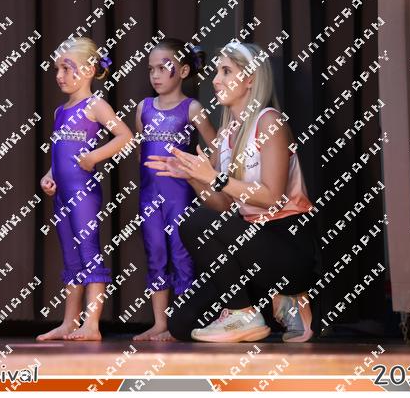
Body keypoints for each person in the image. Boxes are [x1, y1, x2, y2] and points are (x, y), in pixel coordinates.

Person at [145, 41, 320, 343]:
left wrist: (215, 177)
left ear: (250, 78)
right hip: (249, 245)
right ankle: (254, 307)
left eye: (226, 71)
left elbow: (272, 197)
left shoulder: (270, 121)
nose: (216, 80)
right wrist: (193, 177)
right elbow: (223, 204)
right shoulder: (226, 134)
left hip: (287, 242)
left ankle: (267, 305)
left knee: (195, 222)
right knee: (181, 323)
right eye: (216, 72)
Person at [37, 37, 134, 341]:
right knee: (70, 256)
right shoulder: (59, 112)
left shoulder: (95, 105)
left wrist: (94, 156)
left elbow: (125, 136)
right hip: (62, 195)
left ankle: (91, 324)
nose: (60, 75)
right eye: (57, 69)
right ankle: (69, 322)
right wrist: (49, 176)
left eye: (67, 68)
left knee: (88, 252)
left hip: (83, 194)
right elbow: (59, 154)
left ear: (90, 70)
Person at [133, 38, 217, 341]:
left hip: (180, 195)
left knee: (181, 254)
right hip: (149, 195)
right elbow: (142, 153)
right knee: (155, 253)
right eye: (151, 69)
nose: (155, 75)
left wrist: (199, 172)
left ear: (183, 71)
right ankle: (160, 323)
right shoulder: (143, 108)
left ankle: (183, 322)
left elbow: (216, 149)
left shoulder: (191, 108)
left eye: (163, 68)